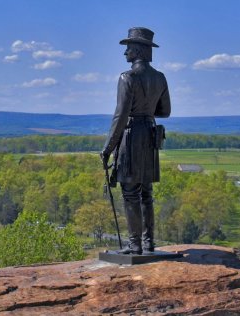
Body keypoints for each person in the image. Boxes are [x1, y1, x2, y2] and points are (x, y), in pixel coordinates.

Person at [101, 27, 171, 255]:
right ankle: (148, 242)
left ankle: (135, 245)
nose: (125, 53)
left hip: (131, 135)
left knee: (131, 192)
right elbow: (165, 111)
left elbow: (120, 116)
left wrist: (108, 148)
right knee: (146, 192)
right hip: (150, 133)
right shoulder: (160, 78)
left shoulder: (127, 78)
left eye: (129, 48)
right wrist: (146, 109)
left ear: (139, 50)